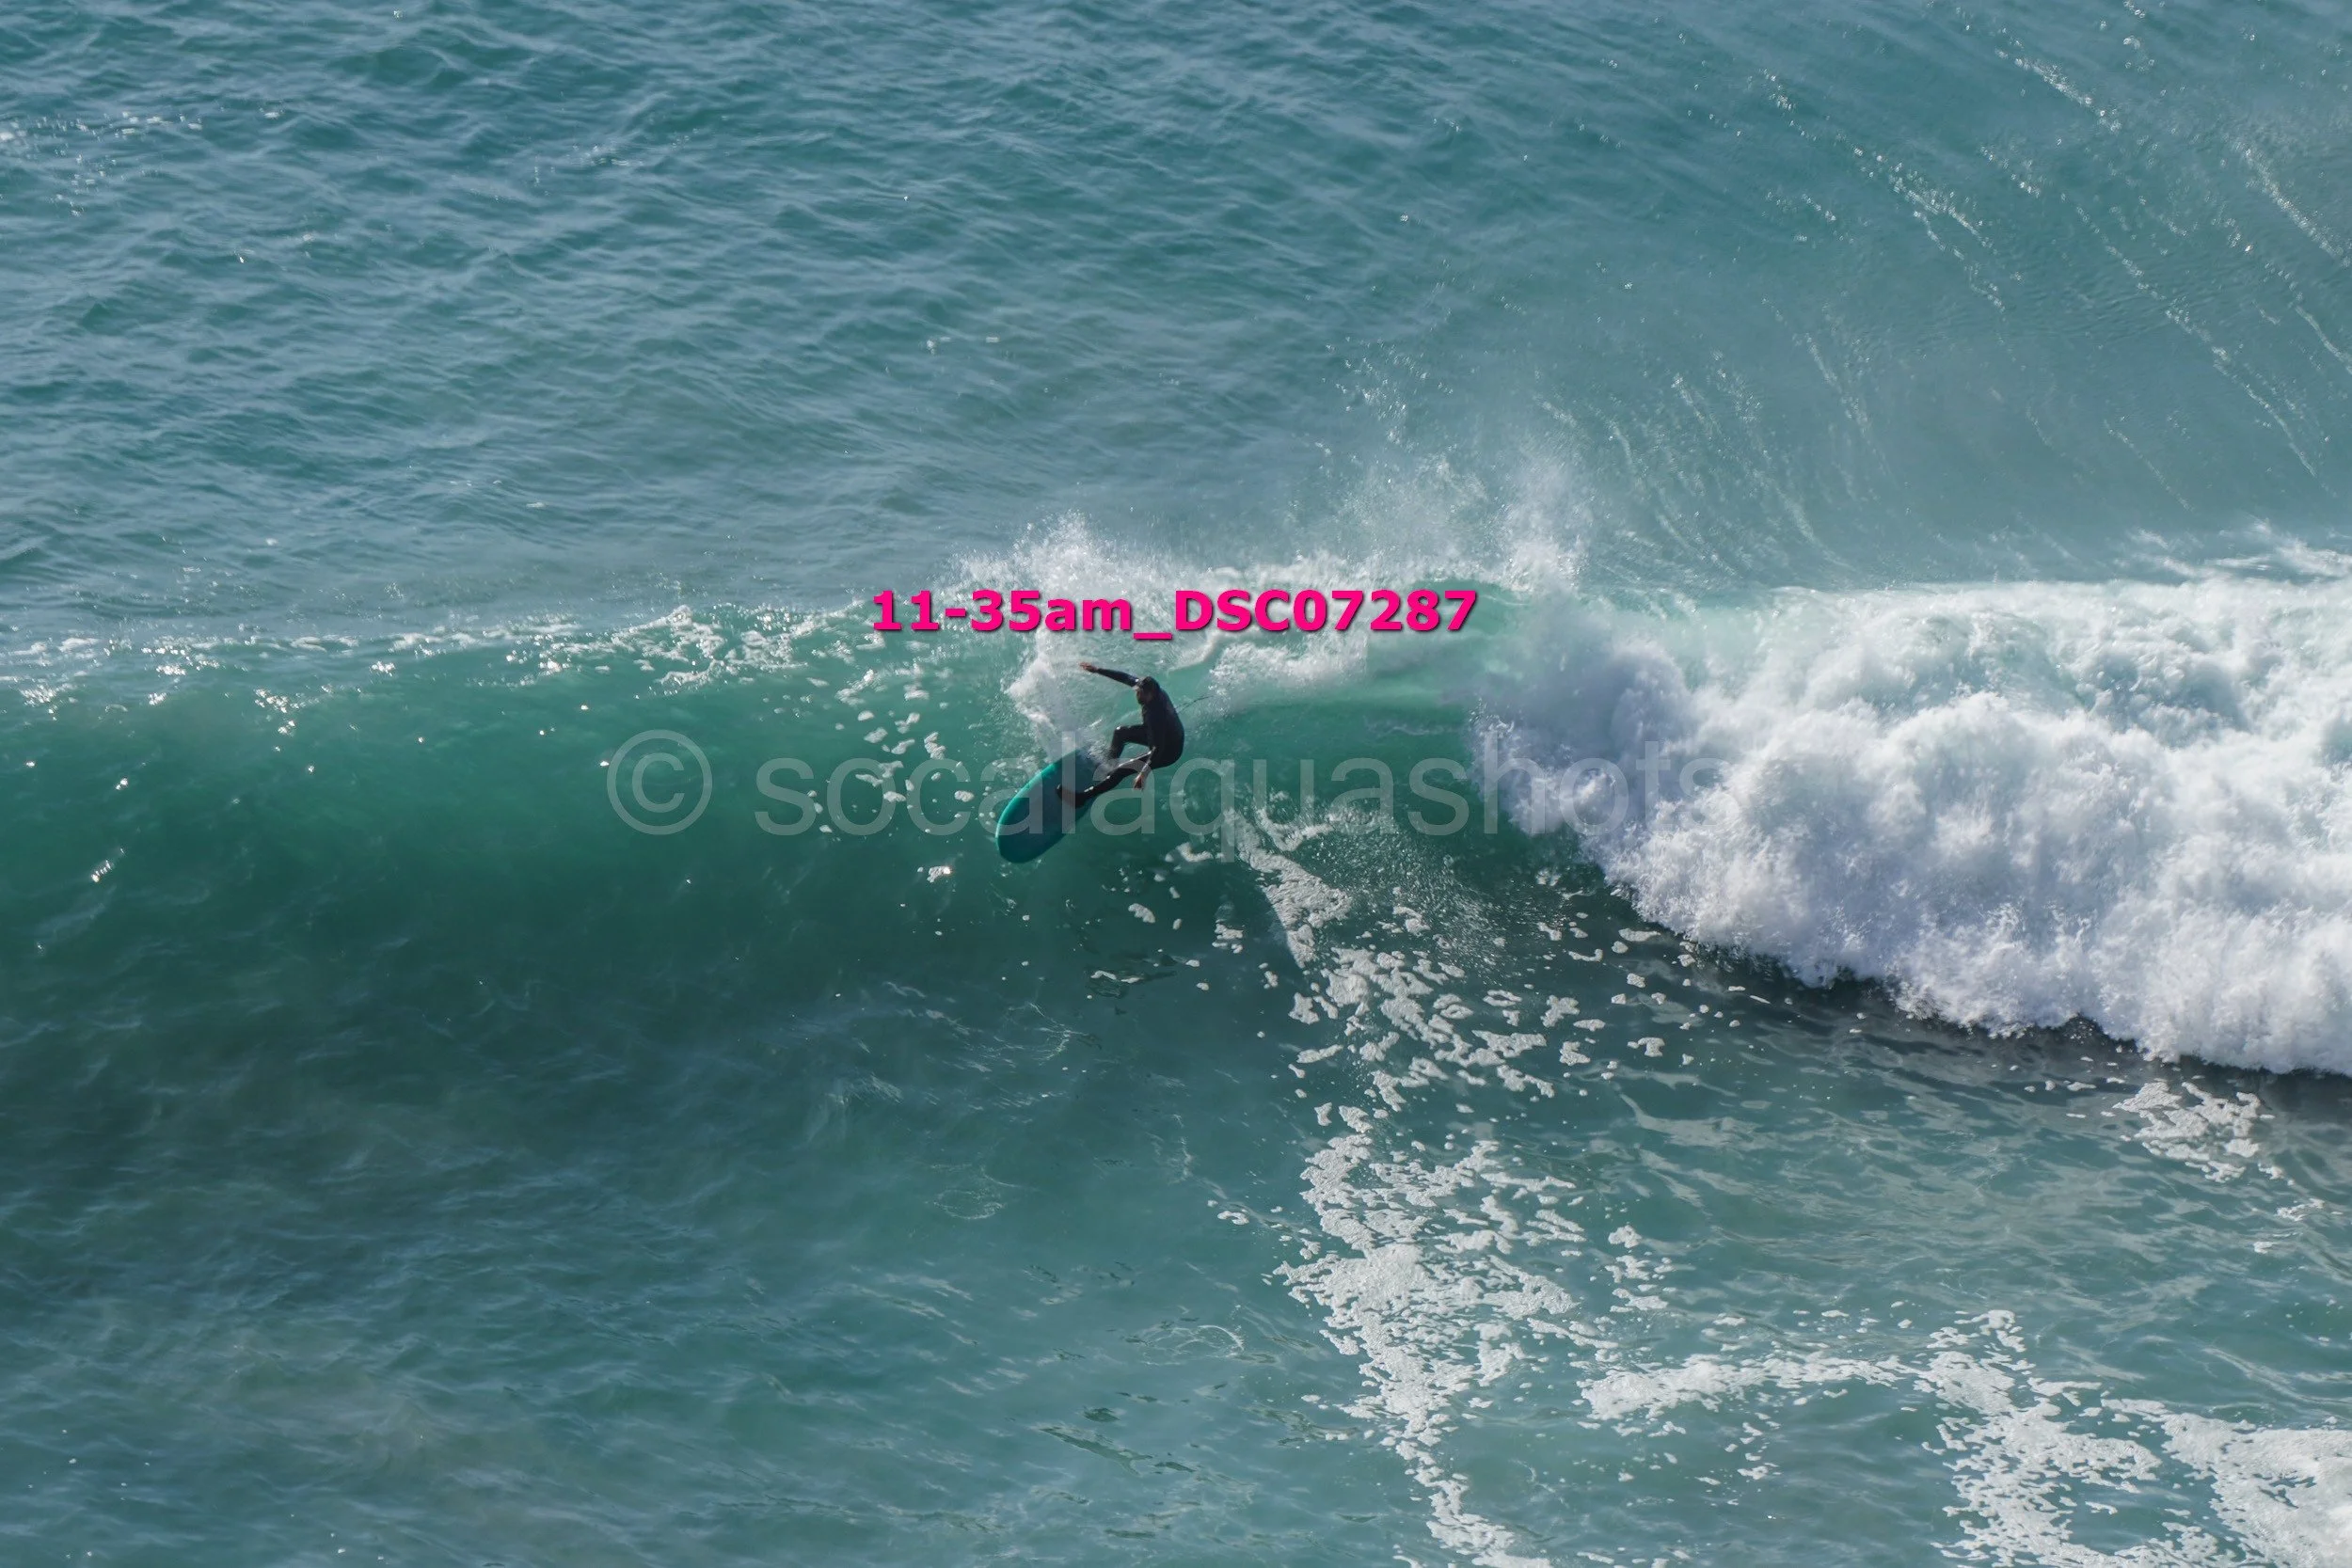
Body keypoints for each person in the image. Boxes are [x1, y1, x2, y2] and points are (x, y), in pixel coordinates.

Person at [1067, 661, 1184, 808]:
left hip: (1168, 750)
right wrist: (1098, 670)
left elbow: (1157, 748)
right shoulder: (1146, 688)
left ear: (1151, 694)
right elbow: (1125, 677)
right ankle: (1108, 767)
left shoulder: (1156, 714)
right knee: (1120, 732)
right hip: (1156, 734)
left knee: (1122, 771)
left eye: (1141, 693)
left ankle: (1082, 798)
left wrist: (1143, 773)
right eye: (1137, 691)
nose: (1137, 694)